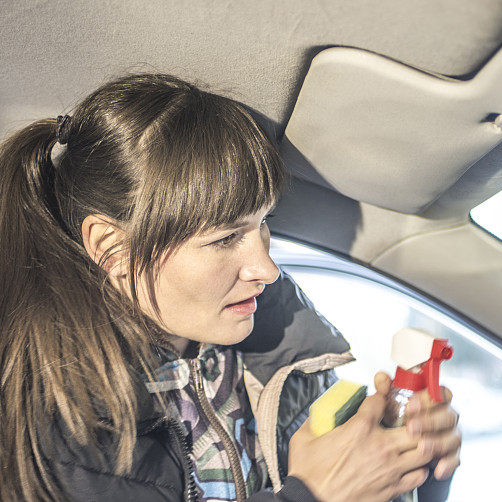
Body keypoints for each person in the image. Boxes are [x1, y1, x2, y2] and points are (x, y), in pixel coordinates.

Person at [0, 73, 461, 502]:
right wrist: (314, 494)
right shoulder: (59, 433)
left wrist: (409, 466)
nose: (267, 268)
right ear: (111, 247)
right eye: (224, 239)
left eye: (263, 224)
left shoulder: (271, 348)